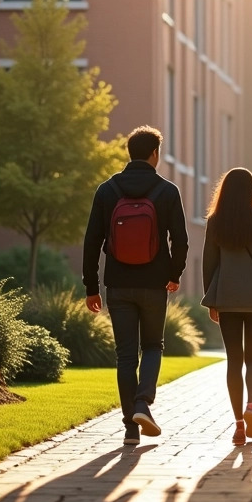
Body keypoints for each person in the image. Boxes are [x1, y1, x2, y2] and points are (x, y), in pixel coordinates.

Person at [82, 126, 188, 445]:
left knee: (125, 356)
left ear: (129, 152)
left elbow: (91, 241)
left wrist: (91, 287)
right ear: (155, 154)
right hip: (154, 284)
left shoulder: (107, 190)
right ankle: (143, 403)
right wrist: (174, 273)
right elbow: (180, 240)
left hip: (118, 284)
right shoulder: (167, 191)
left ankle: (130, 428)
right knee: (153, 345)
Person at [201, 167, 252, 446]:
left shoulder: (215, 221)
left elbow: (208, 263)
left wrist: (210, 299)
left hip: (227, 296)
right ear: (251, 190)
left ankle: (238, 424)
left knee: (234, 361)